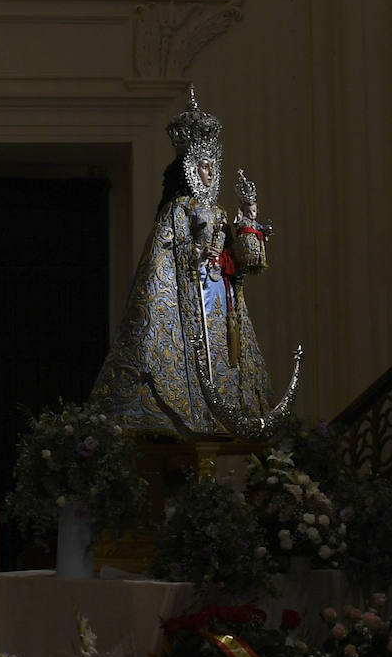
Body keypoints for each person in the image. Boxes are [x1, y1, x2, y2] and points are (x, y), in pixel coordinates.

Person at [89, 88, 271, 437]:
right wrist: (196, 256)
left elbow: (243, 263)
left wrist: (249, 220)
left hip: (220, 294)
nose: (208, 173)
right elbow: (162, 260)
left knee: (223, 355)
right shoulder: (178, 211)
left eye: (212, 167)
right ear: (190, 169)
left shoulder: (218, 213)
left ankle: (223, 407)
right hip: (190, 293)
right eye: (202, 166)